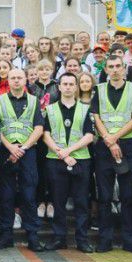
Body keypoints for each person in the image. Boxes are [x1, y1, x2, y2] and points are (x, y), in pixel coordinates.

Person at [90, 54, 132, 254]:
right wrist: (109, 139)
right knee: (104, 197)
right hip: (104, 147)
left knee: (128, 196)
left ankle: (130, 241)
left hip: (128, 146)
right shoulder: (99, 90)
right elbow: (96, 117)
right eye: (111, 66)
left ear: (124, 68)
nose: (114, 70)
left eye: (118, 66)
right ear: (106, 69)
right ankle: (105, 241)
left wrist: (114, 138)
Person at [43, 72, 96, 252]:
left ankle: (82, 240)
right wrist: (62, 154)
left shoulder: (85, 109)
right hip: (56, 160)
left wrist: (69, 151)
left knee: (81, 202)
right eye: (64, 84)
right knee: (58, 202)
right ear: (59, 87)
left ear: (76, 87)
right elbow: (45, 134)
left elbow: (89, 136)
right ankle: (59, 238)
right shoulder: (50, 109)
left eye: (71, 84)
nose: (67, 87)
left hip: (80, 160)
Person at [0, 68, 45, 251]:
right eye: (13, 78)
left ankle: (33, 237)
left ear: (25, 80)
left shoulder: (34, 101)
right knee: (6, 196)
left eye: (19, 78)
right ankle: (6, 235)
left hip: (27, 152)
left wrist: (22, 148)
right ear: (8, 80)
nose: (16, 80)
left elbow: (39, 128)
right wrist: (10, 147)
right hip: (6, 152)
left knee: (29, 195)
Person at [29, 59, 58, 219]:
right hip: (36, 132)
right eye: (41, 69)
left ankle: (51, 202)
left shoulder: (57, 87)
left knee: (52, 169)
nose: (44, 72)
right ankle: (40, 201)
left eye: (47, 69)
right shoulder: (32, 88)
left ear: (51, 70)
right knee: (39, 169)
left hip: (53, 131)